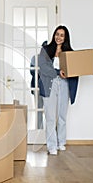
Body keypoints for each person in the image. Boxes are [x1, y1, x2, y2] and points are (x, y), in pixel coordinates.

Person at [38, 25, 79, 155]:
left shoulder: (70, 52)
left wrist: (69, 73)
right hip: (50, 83)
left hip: (64, 83)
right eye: (57, 34)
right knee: (50, 117)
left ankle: (61, 142)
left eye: (62, 35)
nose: (59, 37)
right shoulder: (46, 49)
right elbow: (43, 67)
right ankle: (51, 146)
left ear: (65, 37)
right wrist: (57, 72)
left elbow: (75, 70)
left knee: (62, 115)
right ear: (54, 35)